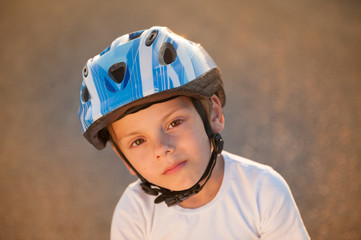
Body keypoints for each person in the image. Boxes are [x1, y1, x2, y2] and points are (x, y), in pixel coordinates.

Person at [78, 26, 310, 240]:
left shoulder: (263, 192)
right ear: (125, 160)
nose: (162, 149)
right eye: (138, 141)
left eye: (174, 123)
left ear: (213, 115)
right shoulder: (134, 215)